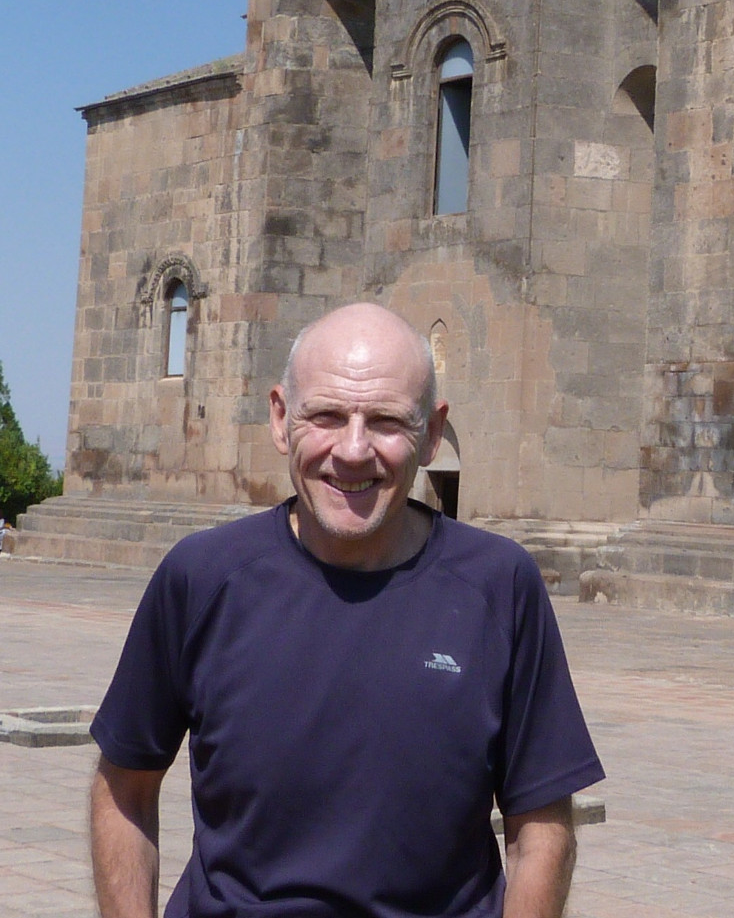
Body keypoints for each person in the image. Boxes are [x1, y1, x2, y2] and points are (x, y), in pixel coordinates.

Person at [88, 302, 603, 918]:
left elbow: (541, 829)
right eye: (327, 416)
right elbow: (125, 790)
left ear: (433, 433)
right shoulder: (202, 579)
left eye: (386, 421)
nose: (354, 451)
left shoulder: (499, 587)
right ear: (281, 419)